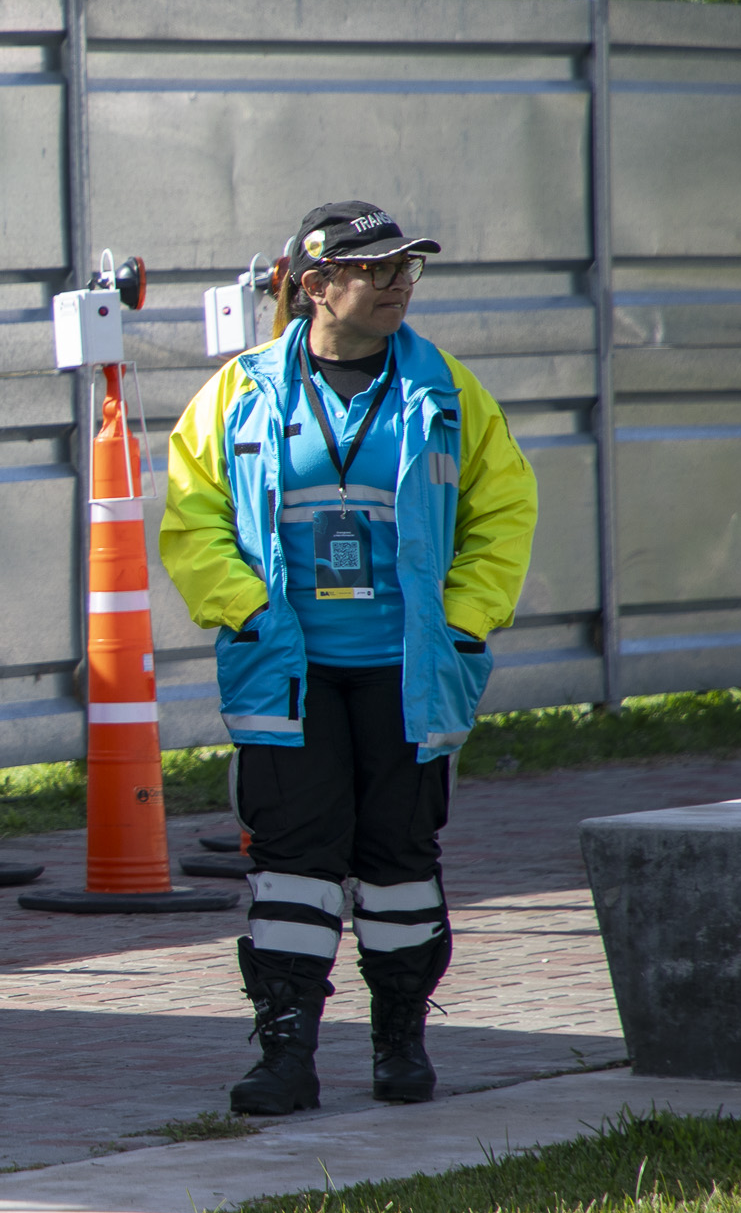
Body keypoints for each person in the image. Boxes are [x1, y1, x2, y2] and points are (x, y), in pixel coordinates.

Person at [163, 199, 538, 1116]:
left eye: (408, 270)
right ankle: (287, 1052)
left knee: (399, 855)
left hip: (408, 669)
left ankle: (400, 1036)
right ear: (316, 284)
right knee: (292, 858)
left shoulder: (446, 391)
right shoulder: (241, 389)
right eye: (378, 272)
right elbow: (192, 513)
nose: (399, 286)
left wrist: (465, 621)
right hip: (287, 668)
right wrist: (245, 611)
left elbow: (504, 512)